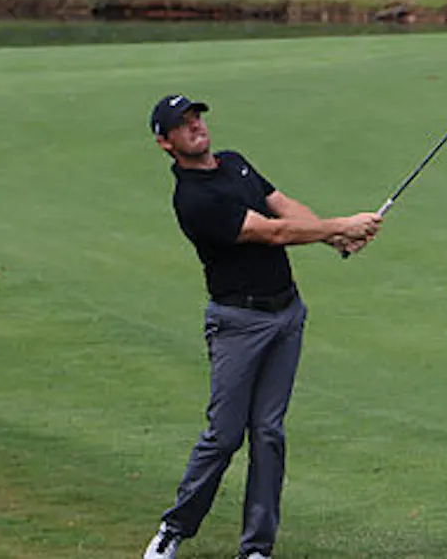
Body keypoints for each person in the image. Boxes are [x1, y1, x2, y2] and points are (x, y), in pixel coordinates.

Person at [143, 93, 382, 559]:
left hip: (286, 314)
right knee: (225, 435)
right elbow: (270, 232)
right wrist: (341, 224)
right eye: (182, 123)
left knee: (269, 433)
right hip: (238, 323)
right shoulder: (193, 199)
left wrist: (335, 237)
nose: (195, 126)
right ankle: (175, 528)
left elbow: (283, 208)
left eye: (196, 117)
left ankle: (256, 550)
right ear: (165, 142)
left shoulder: (234, 164)